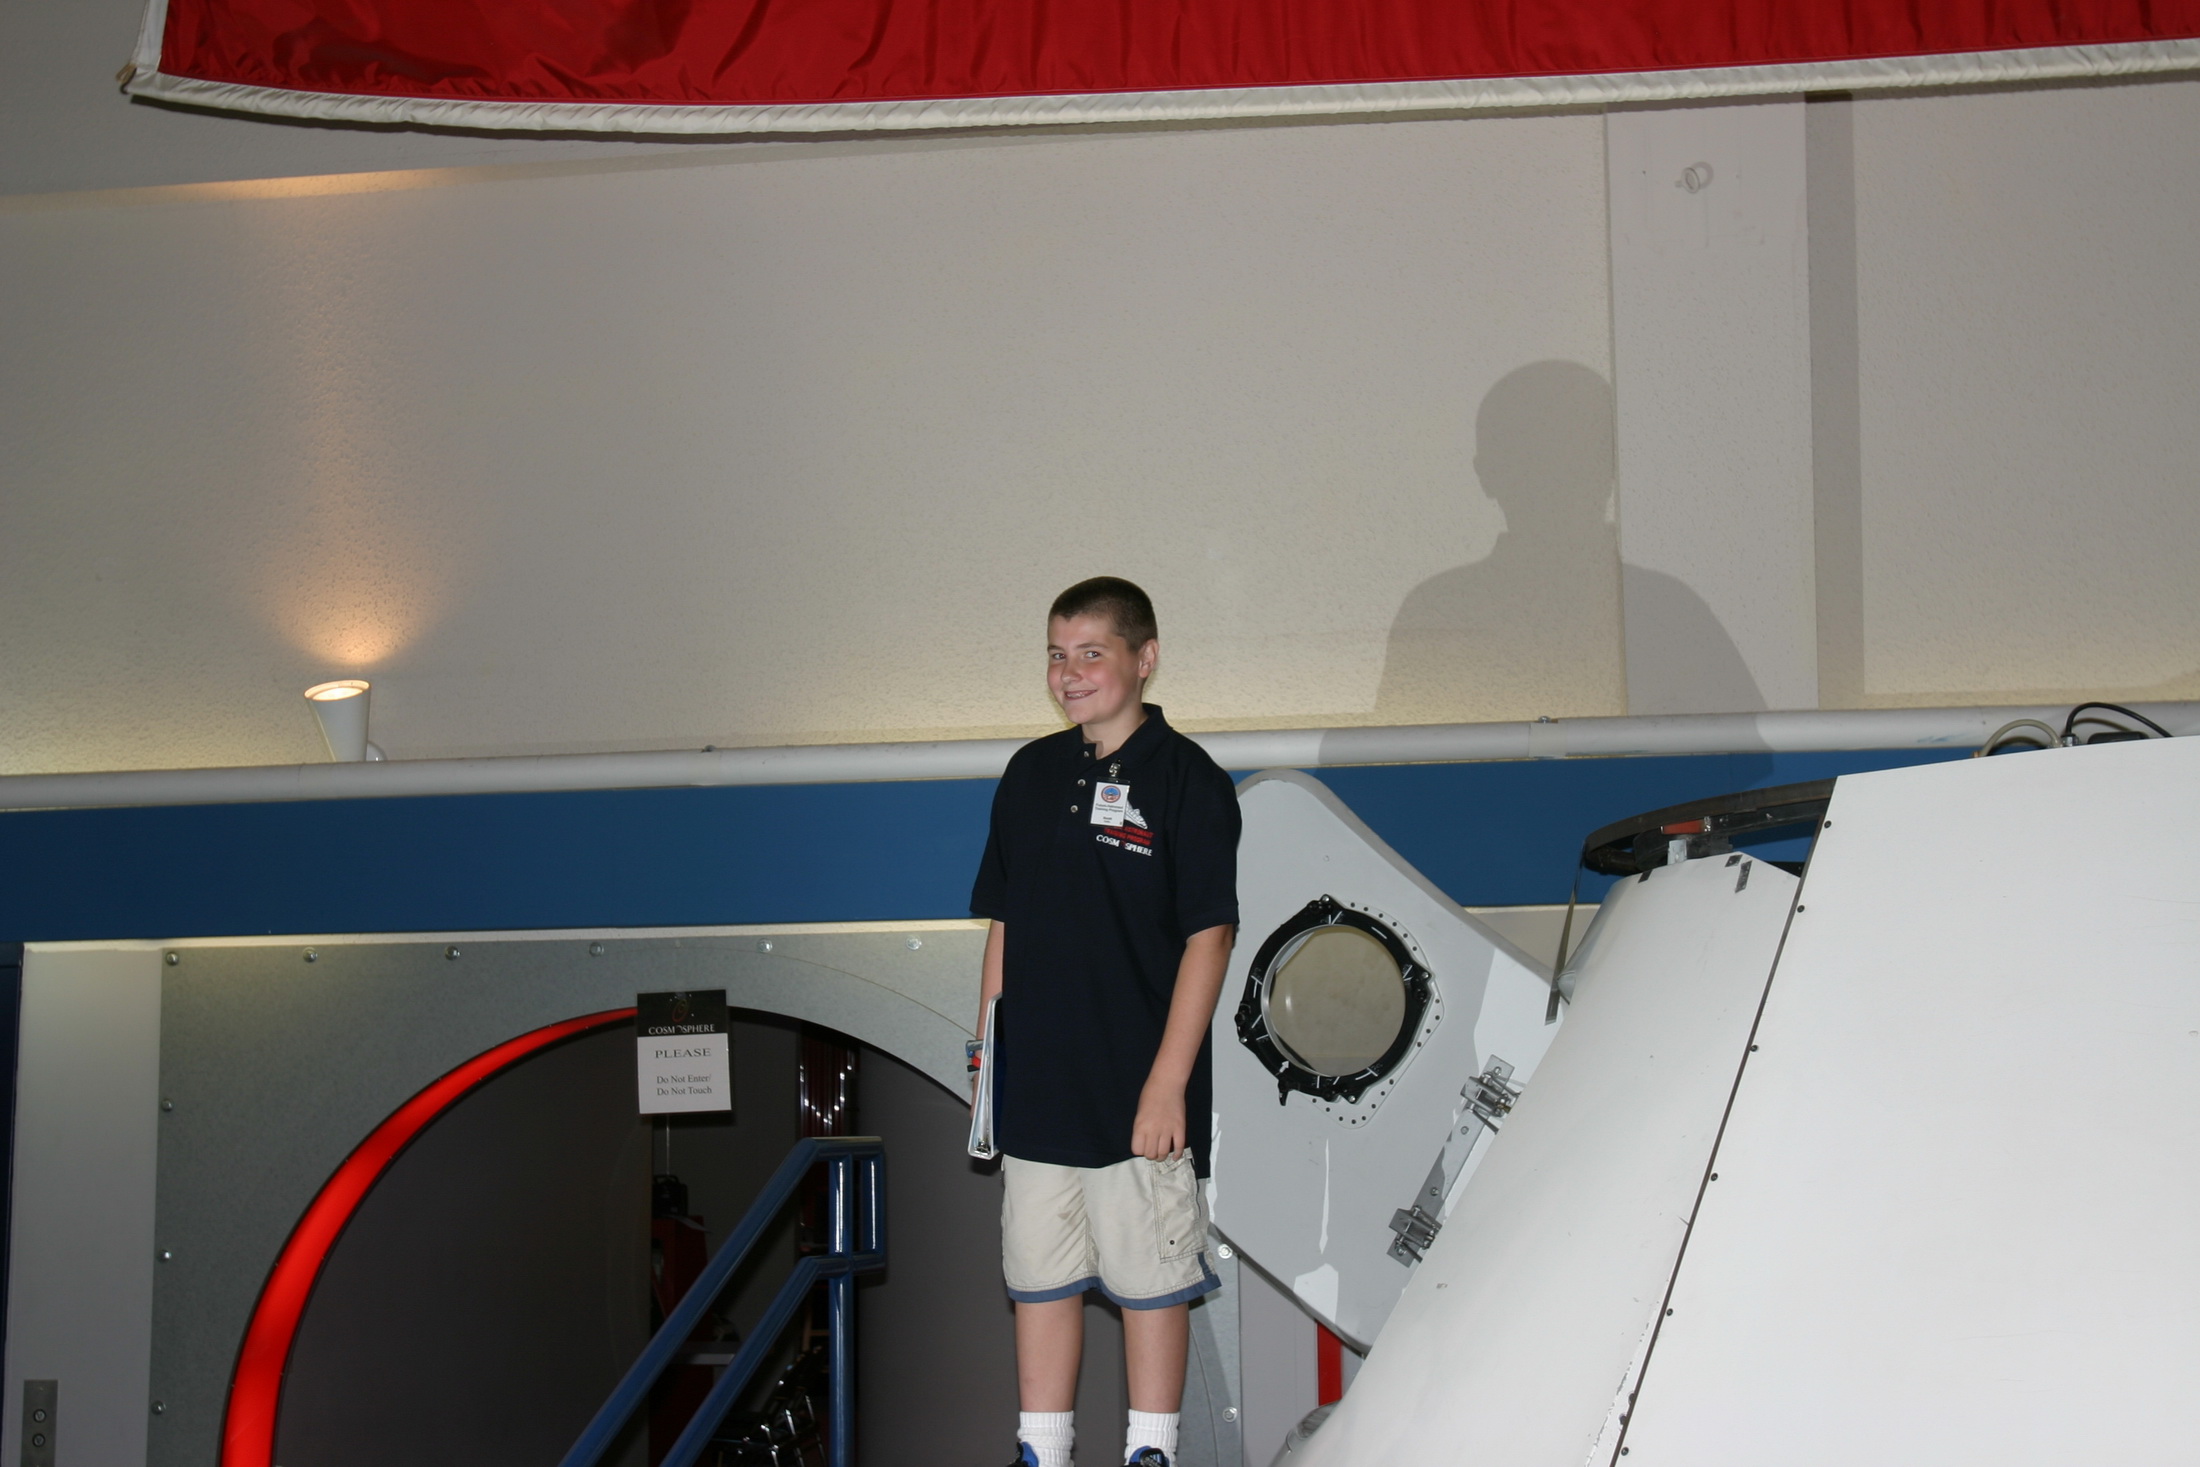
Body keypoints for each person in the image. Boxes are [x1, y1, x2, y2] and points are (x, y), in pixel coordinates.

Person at [970, 576, 1241, 1467]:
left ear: (1144, 658)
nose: (1071, 671)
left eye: (1092, 651)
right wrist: (989, 1057)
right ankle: (1041, 1449)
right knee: (1038, 1275)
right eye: (1058, 653)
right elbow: (1004, 924)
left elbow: (1210, 936)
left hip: (1137, 1092)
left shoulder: (1191, 781)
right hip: (1038, 1087)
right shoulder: (1029, 774)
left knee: (1149, 1282)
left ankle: (1150, 1452)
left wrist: (1167, 1083)